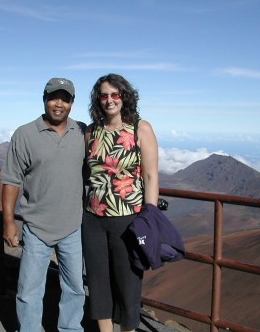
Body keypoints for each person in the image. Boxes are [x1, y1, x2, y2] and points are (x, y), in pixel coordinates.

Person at [0, 78, 86, 332]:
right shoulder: (25, 134)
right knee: (29, 290)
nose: (59, 104)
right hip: (36, 226)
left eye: (65, 98)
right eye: (53, 97)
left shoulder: (82, 131)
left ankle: (70, 329)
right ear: (44, 99)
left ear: (72, 103)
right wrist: (9, 223)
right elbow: (11, 180)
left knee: (75, 288)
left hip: (73, 225)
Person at [82, 74, 159, 332]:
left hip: (128, 218)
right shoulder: (91, 131)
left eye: (115, 94)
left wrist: (150, 216)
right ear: (98, 99)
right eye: (104, 95)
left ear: (124, 97)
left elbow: (150, 175)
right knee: (97, 280)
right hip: (92, 218)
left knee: (128, 282)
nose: (110, 100)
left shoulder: (140, 128)